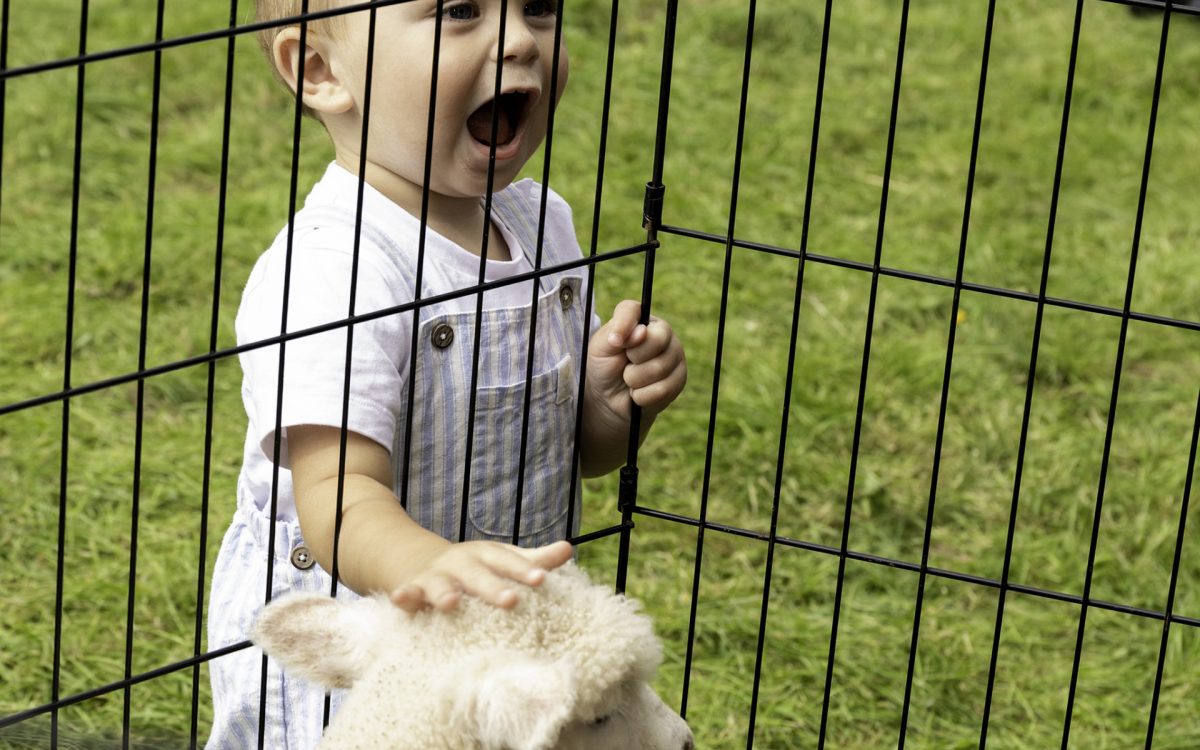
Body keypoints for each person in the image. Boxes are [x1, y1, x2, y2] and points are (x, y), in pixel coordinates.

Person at [205, 0, 687, 747]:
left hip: (501, 654)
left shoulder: (541, 224)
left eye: (540, 8)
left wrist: (611, 404)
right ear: (322, 71)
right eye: (460, 11)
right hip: (362, 655)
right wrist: (437, 568)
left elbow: (584, 456)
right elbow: (338, 497)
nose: (522, 39)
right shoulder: (334, 272)